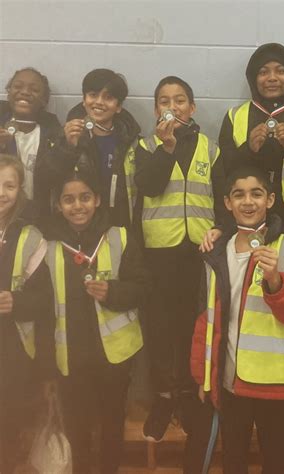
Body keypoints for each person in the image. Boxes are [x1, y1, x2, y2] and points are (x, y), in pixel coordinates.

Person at [189, 165, 284, 474]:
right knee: (233, 460)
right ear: (228, 203)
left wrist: (275, 281)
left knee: (277, 461)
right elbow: (206, 318)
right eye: (238, 195)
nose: (248, 202)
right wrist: (204, 375)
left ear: (270, 200)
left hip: (276, 383)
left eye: (256, 194)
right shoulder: (216, 250)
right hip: (231, 382)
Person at [134, 76, 228, 442]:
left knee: (194, 326)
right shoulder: (144, 146)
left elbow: (223, 200)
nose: (172, 106)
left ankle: (190, 395)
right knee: (159, 329)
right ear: (156, 109)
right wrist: (166, 148)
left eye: (179, 100)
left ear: (192, 107)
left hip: (198, 254)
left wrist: (220, 229)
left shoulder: (211, 148)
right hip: (159, 254)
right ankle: (163, 397)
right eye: (163, 101)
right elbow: (149, 187)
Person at [43, 167, 149, 474]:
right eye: (69, 200)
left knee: (111, 422)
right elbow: (42, 307)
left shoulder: (120, 236)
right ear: (58, 205)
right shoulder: (47, 244)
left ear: (98, 200)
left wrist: (113, 291)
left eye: (85, 198)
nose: (78, 206)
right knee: (76, 425)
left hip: (114, 356)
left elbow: (144, 288)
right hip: (70, 355)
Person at [217, 42, 284, 236]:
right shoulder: (234, 117)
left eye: (280, 71)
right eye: (263, 72)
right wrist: (248, 150)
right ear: (253, 78)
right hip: (244, 219)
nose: (272, 78)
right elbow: (223, 175)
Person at [0, 154, 54, 473]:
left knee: (8, 422)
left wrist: (15, 302)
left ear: (20, 190)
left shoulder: (31, 236)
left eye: (9, 185)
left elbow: (45, 301)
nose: (1, 192)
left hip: (13, 349)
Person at [43, 68, 140, 228]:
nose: (99, 102)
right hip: (73, 226)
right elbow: (45, 180)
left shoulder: (131, 142)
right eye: (93, 95)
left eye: (108, 98)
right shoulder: (62, 135)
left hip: (117, 225)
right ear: (84, 99)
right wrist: (67, 146)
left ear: (118, 106)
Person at [0, 68, 62, 222]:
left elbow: (55, 175)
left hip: (38, 216)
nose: (25, 92)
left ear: (44, 100)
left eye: (34, 90)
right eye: (18, 87)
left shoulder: (53, 134)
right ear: (8, 92)